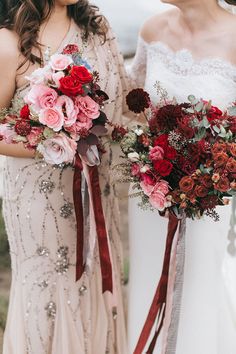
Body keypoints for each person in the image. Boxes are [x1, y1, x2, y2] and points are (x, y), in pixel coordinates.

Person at [0, 1, 129, 353]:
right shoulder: (8, 43)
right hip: (38, 200)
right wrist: (55, 141)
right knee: (50, 293)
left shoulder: (99, 31)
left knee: (96, 280)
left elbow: (126, 108)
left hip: (96, 188)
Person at [128, 1, 236, 353]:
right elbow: (134, 106)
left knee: (197, 289)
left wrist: (216, 170)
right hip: (151, 194)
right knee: (148, 279)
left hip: (206, 197)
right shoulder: (152, 30)